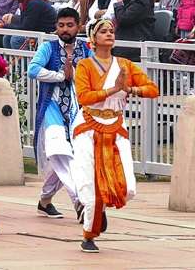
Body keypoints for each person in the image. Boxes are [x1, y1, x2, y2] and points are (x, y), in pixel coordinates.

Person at [72, 18, 159, 253]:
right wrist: (113, 89)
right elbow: (84, 97)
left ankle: (99, 211)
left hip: (116, 125)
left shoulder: (125, 65)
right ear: (93, 38)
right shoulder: (84, 66)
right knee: (90, 187)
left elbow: (153, 90)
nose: (109, 34)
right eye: (103, 31)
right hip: (88, 126)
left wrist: (130, 89)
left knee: (127, 187)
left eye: (111, 31)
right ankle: (89, 235)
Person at [28, 7, 91, 220]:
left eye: (69, 25)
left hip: (76, 111)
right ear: (56, 27)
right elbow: (33, 70)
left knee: (64, 156)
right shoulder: (49, 48)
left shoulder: (86, 49)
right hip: (51, 108)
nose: (65, 29)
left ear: (78, 26)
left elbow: (93, 74)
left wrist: (74, 76)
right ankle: (79, 201)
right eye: (61, 25)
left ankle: (45, 201)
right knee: (59, 150)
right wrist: (59, 75)